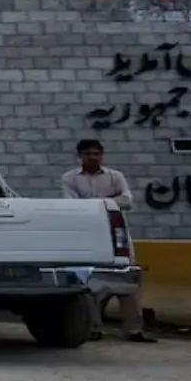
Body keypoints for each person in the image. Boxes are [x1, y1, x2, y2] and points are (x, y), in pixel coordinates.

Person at [63, 138, 157, 343]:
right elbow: (72, 206)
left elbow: (127, 201)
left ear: (102, 155)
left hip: (118, 234)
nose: (93, 157)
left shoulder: (115, 176)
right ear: (80, 156)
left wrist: (93, 204)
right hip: (90, 235)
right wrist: (109, 202)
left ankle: (134, 329)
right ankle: (94, 328)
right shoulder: (70, 178)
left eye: (96, 153)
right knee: (93, 281)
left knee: (127, 279)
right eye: (88, 153)